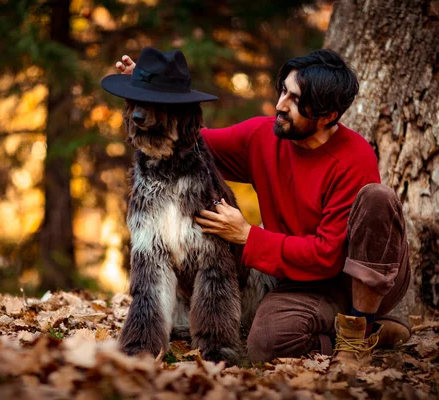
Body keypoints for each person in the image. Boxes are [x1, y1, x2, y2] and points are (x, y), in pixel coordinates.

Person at [115, 49, 411, 371]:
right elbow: (189, 140)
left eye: (296, 100)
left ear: (328, 115)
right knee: (265, 344)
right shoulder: (263, 136)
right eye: (283, 90)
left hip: (358, 277)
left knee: (377, 198)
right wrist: (152, 90)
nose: (281, 105)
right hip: (299, 280)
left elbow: (328, 256)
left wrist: (247, 236)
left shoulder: (355, 158)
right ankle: (375, 334)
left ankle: (360, 330)